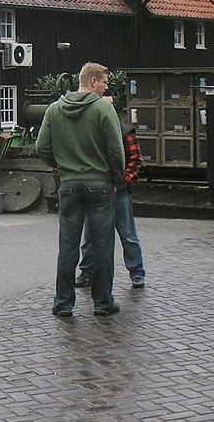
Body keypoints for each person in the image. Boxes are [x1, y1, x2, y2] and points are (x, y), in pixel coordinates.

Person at [36, 62, 125, 318]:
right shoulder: (103, 109)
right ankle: (102, 302)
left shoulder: (54, 110)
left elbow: (42, 147)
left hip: (69, 185)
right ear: (93, 81)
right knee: (102, 246)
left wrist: (63, 166)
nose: (107, 88)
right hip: (100, 185)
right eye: (105, 83)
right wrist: (116, 178)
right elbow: (115, 151)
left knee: (68, 246)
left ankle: (63, 303)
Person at [76, 95, 145, 289]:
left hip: (116, 190)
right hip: (100, 188)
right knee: (90, 236)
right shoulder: (113, 130)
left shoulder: (124, 131)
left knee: (126, 234)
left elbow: (135, 161)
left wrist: (120, 183)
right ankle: (88, 272)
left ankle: (136, 272)